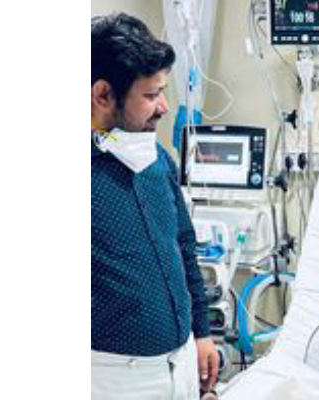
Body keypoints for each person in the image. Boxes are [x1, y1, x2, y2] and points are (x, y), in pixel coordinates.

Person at [91, 12, 219, 400]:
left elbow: (183, 246)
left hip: (182, 360)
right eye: (150, 96)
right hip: (114, 377)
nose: (163, 106)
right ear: (103, 95)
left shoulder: (156, 159)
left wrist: (202, 333)